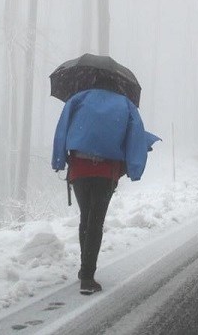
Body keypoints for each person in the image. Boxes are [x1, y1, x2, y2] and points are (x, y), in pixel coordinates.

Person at [51, 79, 160, 295]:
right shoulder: (125, 104)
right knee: (96, 221)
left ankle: (85, 271)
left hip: (80, 170)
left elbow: (62, 129)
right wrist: (135, 167)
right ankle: (88, 277)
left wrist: (58, 160)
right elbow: (135, 136)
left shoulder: (78, 98)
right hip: (105, 172)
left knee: (86, 217)